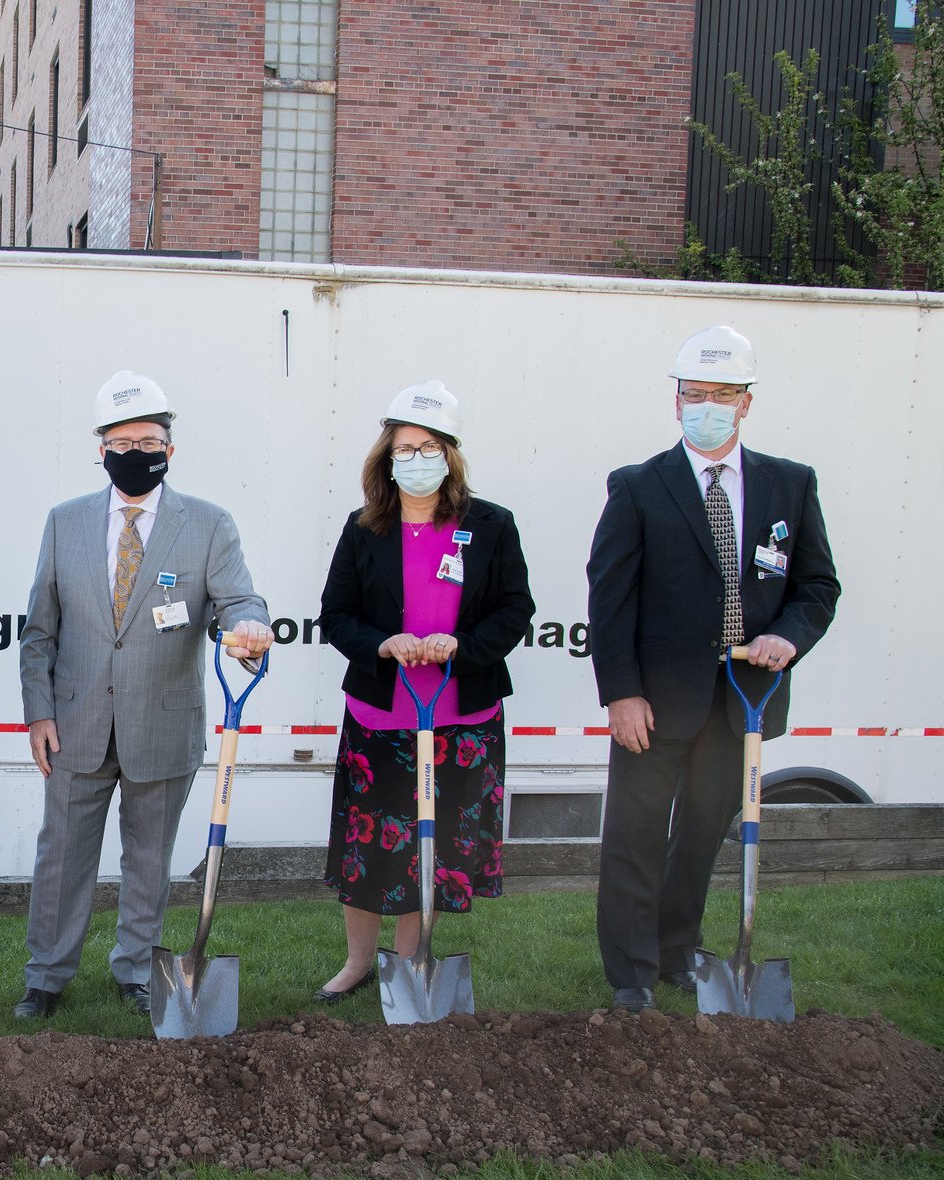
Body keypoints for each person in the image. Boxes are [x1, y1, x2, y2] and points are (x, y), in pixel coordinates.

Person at [586, 325, 838, 1011]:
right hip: (656, 703)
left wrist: (789, 636)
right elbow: (608, 600)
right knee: (635, 841)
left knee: (698, 839)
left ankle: (676, 953)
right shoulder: (639, 487)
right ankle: (631, 978)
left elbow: (817, 586)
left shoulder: (790, 485)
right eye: (693, 393)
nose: (706, 405)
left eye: (721, 394)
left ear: (746, 402)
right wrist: (622, 693)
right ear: (675, 402)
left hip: (741, 700)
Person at [15, 371, 274, 1019]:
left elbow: (238, 597)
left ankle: (135, 967)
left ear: (171, 447)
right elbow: (39, 631)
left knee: (149, 860)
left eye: (150, 439)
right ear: (99, 448)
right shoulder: (64, 522)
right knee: (61, 859)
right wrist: (39, 713)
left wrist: (248, 627)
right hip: (75, 725)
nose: (136, 452)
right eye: (122, 440)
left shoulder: (208, 525)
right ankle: (45, 975)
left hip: (162, 724)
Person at [314, 382, 533, 1001]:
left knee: (429, 849)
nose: (417, 458)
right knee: (369, 844)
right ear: (386, 458)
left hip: (462, 715)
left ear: (451, 454)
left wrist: (463, 646)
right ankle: (359, 962)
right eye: (405, 448)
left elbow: (516, 609)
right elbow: (336, 614)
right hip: (382, 717)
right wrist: (383, 644)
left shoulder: (491, 525)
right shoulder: (364, 530)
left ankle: (406, 965)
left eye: (429, 446)